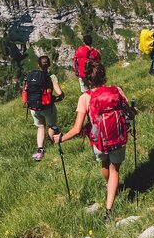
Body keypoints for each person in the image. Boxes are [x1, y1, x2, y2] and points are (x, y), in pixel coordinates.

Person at [53, 61, 133, 221]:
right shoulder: (117, 90)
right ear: (104, 75)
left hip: (98, 141)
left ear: (88, 80)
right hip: (118, 136)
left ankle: (110, 188)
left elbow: (77, 129)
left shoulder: (85, 98)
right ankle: (109, 207)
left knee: (105, 165)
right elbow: (129, 111)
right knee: (115, 169)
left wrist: (61, 138)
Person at [22, 55, 64, 161]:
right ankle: (55, 145)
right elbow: (59, 92)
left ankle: (40, 151)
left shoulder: (32, 75)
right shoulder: (51, 77)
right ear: (49, 64)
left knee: (40, 127)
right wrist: (61, 95)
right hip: (47, 107)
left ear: (38, 65)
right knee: (51, 125)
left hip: (34, 107)